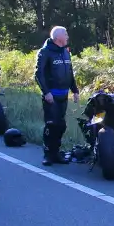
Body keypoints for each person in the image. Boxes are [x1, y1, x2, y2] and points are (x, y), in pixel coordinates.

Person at [34, 25, 80, 165]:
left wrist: (75, 90)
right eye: (65, 34)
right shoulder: (45, 52)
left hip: (63, 96)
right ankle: (48, 154)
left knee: (61, 125)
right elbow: (38, 74)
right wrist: (46, 92)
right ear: (58, 37)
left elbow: (70, 73)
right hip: (51, 96)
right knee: (51, 125)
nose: (67, 37)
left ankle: (56, 153)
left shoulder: (65, 52)